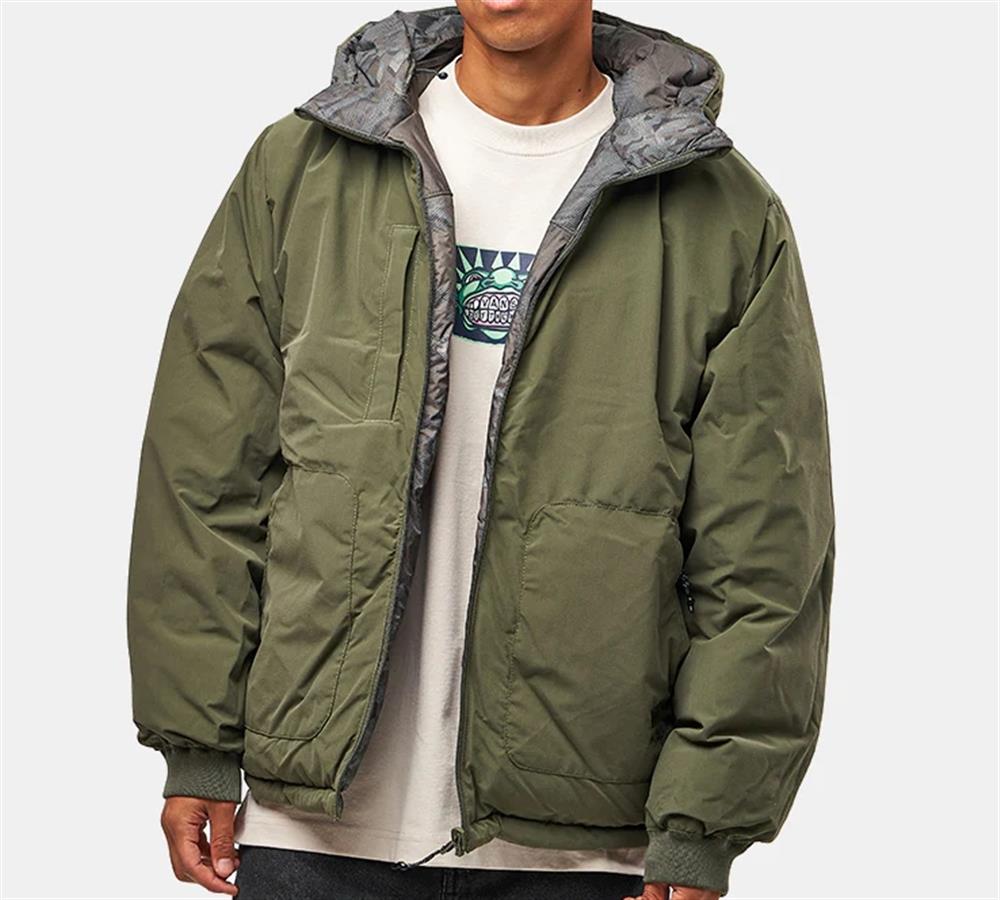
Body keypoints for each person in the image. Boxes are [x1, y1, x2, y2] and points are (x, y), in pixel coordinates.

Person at [126, 2, 835, 898]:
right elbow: (205, 477)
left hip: (585, 848)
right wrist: (197, 745)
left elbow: (765, 550)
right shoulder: (301, 169)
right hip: (311, 825)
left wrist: (704, 819)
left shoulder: (719, 212)